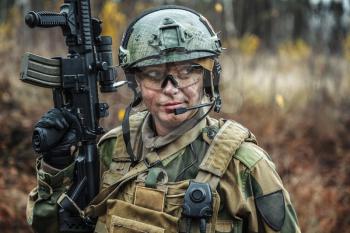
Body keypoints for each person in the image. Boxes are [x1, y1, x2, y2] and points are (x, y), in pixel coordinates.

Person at [26, 5, 301, 233]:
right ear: (137, 84)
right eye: (155, 74)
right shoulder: (112, 150)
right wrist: (57, 165)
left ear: (207, 79)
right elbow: (49, 224)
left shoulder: (245, 166)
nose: (171, 88)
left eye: (186, 72)